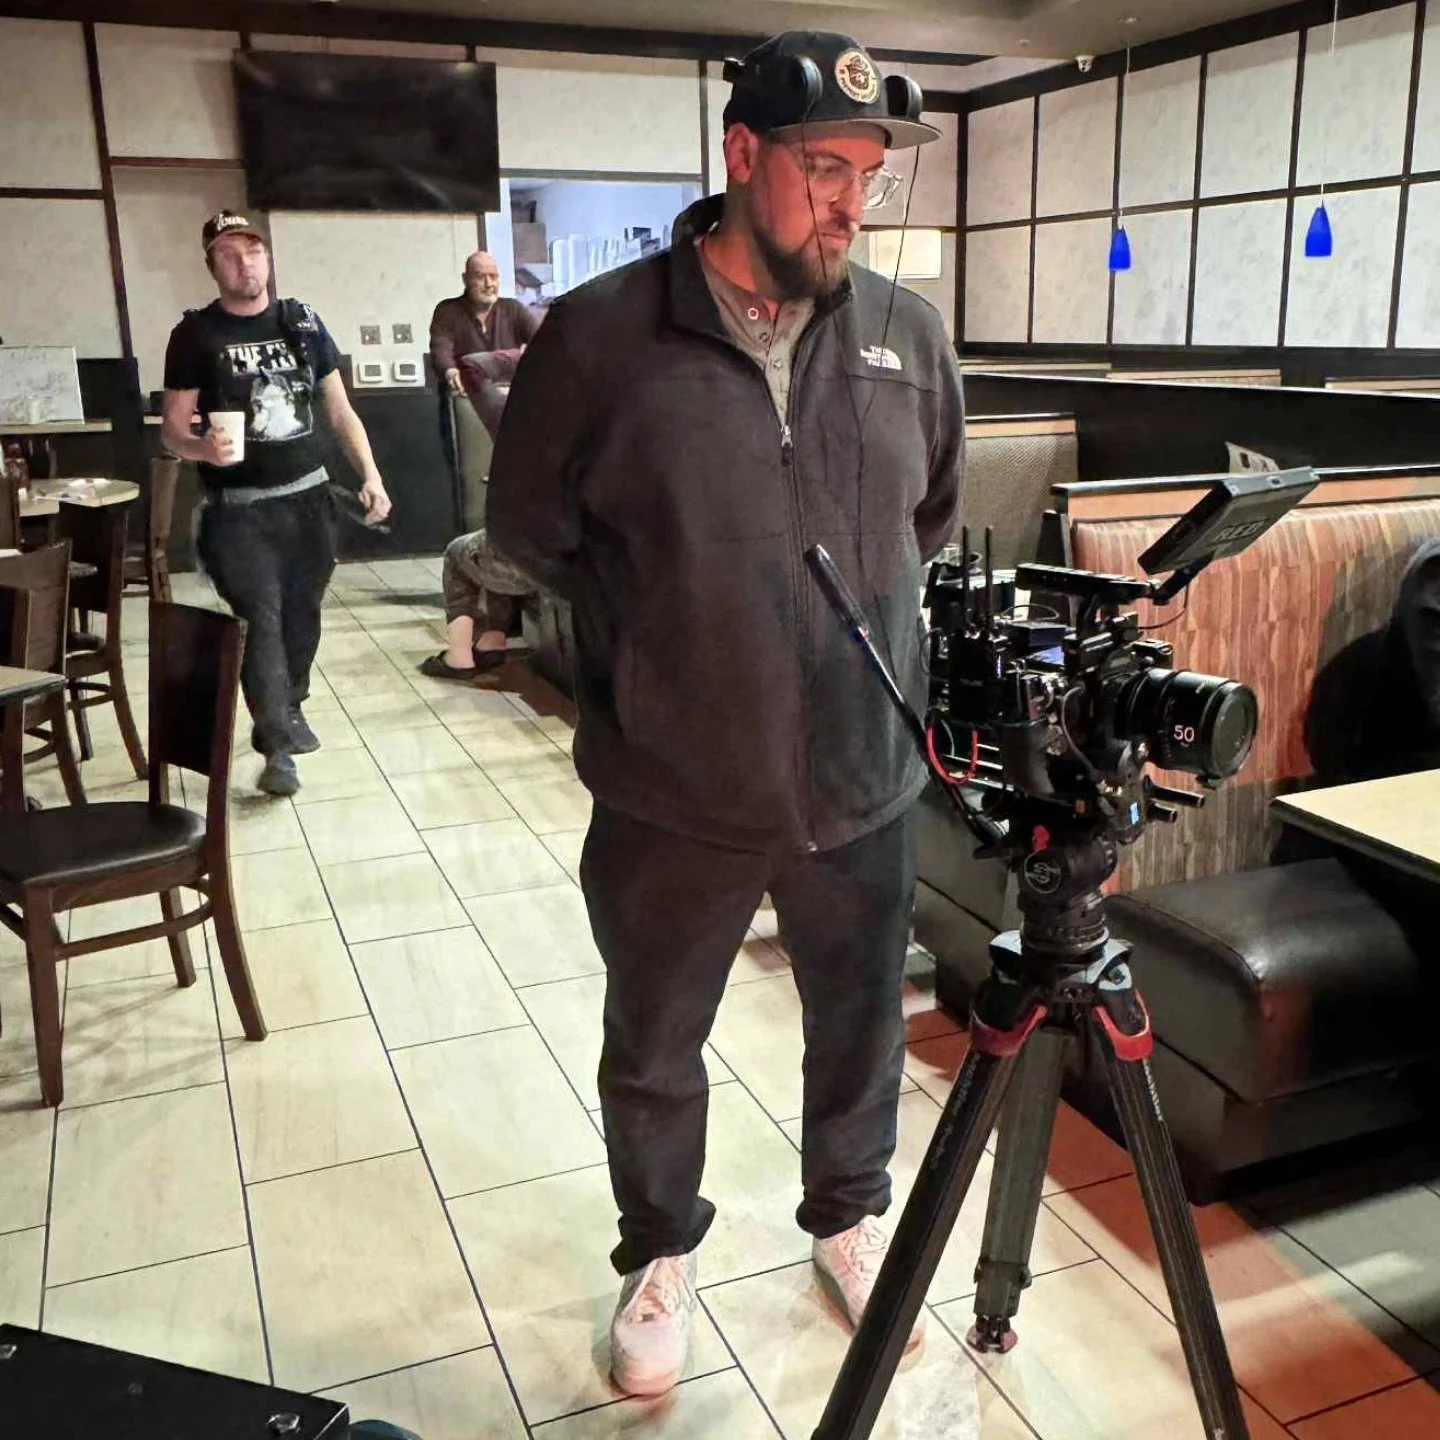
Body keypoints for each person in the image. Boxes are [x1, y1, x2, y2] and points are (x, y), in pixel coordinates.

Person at [487, 30, 961, 1398]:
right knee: (655, 1042)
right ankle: (659, 1249)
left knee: (859, 1023)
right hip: (673, 781)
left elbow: (926, 517)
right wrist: (662, 640)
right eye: (825, 170)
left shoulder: (907, 336)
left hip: (862, 771)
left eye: (870, 175)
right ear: (742, 155)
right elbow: (529, 531)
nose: (851, 203)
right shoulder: (603, 337)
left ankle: (849, 1218)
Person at [162, 211, 392, 797]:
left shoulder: (303, 323)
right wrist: (203, 449)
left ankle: (290, 704)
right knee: (260, 622)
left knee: (301, 617)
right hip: (238, 511)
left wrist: (370, 475)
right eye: (229, 255)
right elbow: (172, 431)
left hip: (310, 502)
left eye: (253, 251)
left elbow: (339, 410)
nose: (244, 264)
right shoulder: (195, 336)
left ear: (267, 258)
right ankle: (277, 746)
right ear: (212, 266)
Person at [429, 251, 540, 466]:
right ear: (465, 279)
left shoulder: (513, 309)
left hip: (508, 405)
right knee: (473, 470)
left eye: (494, 276)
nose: (489, 284)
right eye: (480, 277)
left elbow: (543, 342)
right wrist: (450, 371)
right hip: (466, 405)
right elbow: (440, 348)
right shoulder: (447, 311)